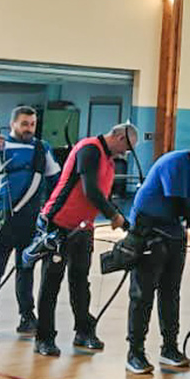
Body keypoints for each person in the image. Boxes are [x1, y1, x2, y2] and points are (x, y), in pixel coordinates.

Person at [30, 122, 137, 358]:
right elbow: (90, 191)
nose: (125, 153)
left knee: (80, 281)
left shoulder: (107, 161)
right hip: (59, 224)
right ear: (118, 137)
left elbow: (103, 195)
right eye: (126, 146)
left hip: (83, 228)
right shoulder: (89, 150)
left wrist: (119, 217)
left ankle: (84, 331)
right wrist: (114, 216)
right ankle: (44, 337)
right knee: (51, 283)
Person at [123, 135, 190, 376]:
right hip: (149, 232)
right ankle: (135, 352)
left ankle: (169, 348)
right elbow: (179, 205)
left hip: (174, 234)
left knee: (170, 292)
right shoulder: (175, 163)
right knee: (142, 294)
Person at [0, 106, 59, 343]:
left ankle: (27, 317)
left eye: (32, 124)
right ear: (12, 125)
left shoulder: (42, 148)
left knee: (26, 268)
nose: (29, 128)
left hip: (30, 219)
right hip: (1, 216)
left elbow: (55, 181)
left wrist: (51, 215)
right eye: (24, 124)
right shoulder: (0, 145)